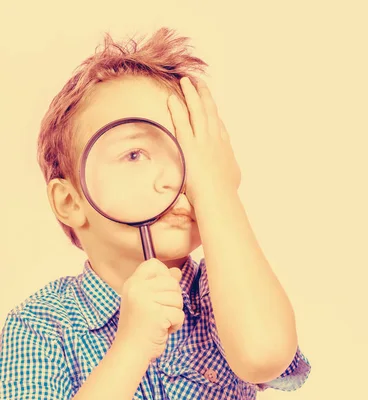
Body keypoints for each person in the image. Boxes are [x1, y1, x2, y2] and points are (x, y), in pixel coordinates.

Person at [0, 27, 311, 400]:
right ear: (70, 202)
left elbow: (265, 355)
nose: (176, 179)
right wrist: (130, 348)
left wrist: (217, 190)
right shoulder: (40, 326)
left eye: (190, 156)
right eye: (135, 154)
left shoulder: (222, 293)